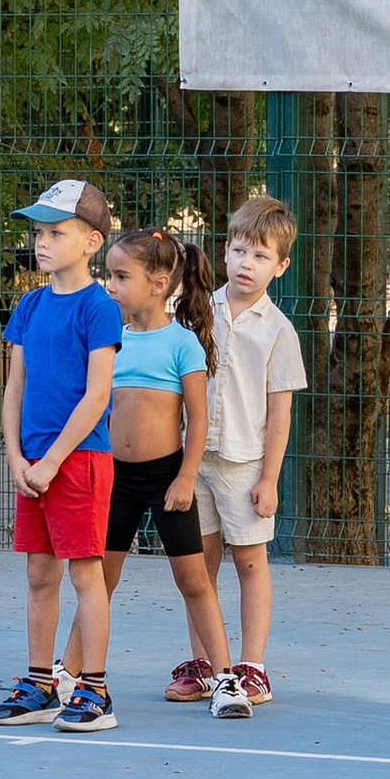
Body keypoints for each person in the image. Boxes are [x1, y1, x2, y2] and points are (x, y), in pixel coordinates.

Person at [0, 179, 122, 732]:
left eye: (56, 232)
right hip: (33, 467)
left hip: (81, 462)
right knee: (39, 574)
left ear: (91, 242)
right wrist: (16, 458)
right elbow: (14, 388)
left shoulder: (100, 308)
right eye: (38, 233)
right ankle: (40, 684)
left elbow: (97, 397)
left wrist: (52, 461)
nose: (42, 242)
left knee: (86, 575)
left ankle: (94, 690)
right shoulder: (29, 305)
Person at [96, 225, 243, 714]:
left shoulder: (183, 344)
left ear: (159, 284)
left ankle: (225, 680)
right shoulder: (110, 339)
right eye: (109, 276)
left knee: (194, 581)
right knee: (98, 582)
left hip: (167, 480)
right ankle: (71, 673)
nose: (110, 286)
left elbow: (198, 420)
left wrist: (184, 478)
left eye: (121, 277)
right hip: (114, 481)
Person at [191, 194, 306, 709]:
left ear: (280, 266)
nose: (246, 263)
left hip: (244, 466)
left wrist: (269, 478)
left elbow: (279, 413)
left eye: (261, 256)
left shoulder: (279, 330)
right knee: (198, 566)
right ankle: (204, 666)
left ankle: (252, 667)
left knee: (251, 563)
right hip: (192, 461)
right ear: (225, 251)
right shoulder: (196, 312)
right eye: (239, 251)